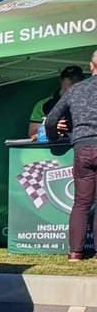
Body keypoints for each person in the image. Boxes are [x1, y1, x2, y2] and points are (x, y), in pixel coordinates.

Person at [44, 51, 97, 261]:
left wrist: (53, 137)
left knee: (81, 203)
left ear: (91, 66)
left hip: (82, 147)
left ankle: (75, 252)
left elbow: (50, 120)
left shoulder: (75, 90)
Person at [29, 65, 84, 140]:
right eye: (71, 79)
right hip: (55, 148)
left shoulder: (87, 103)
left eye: (78, 79)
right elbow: (32, 134)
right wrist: (51, 127)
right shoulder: (44, 104)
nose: (75, 82)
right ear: (61, 80)